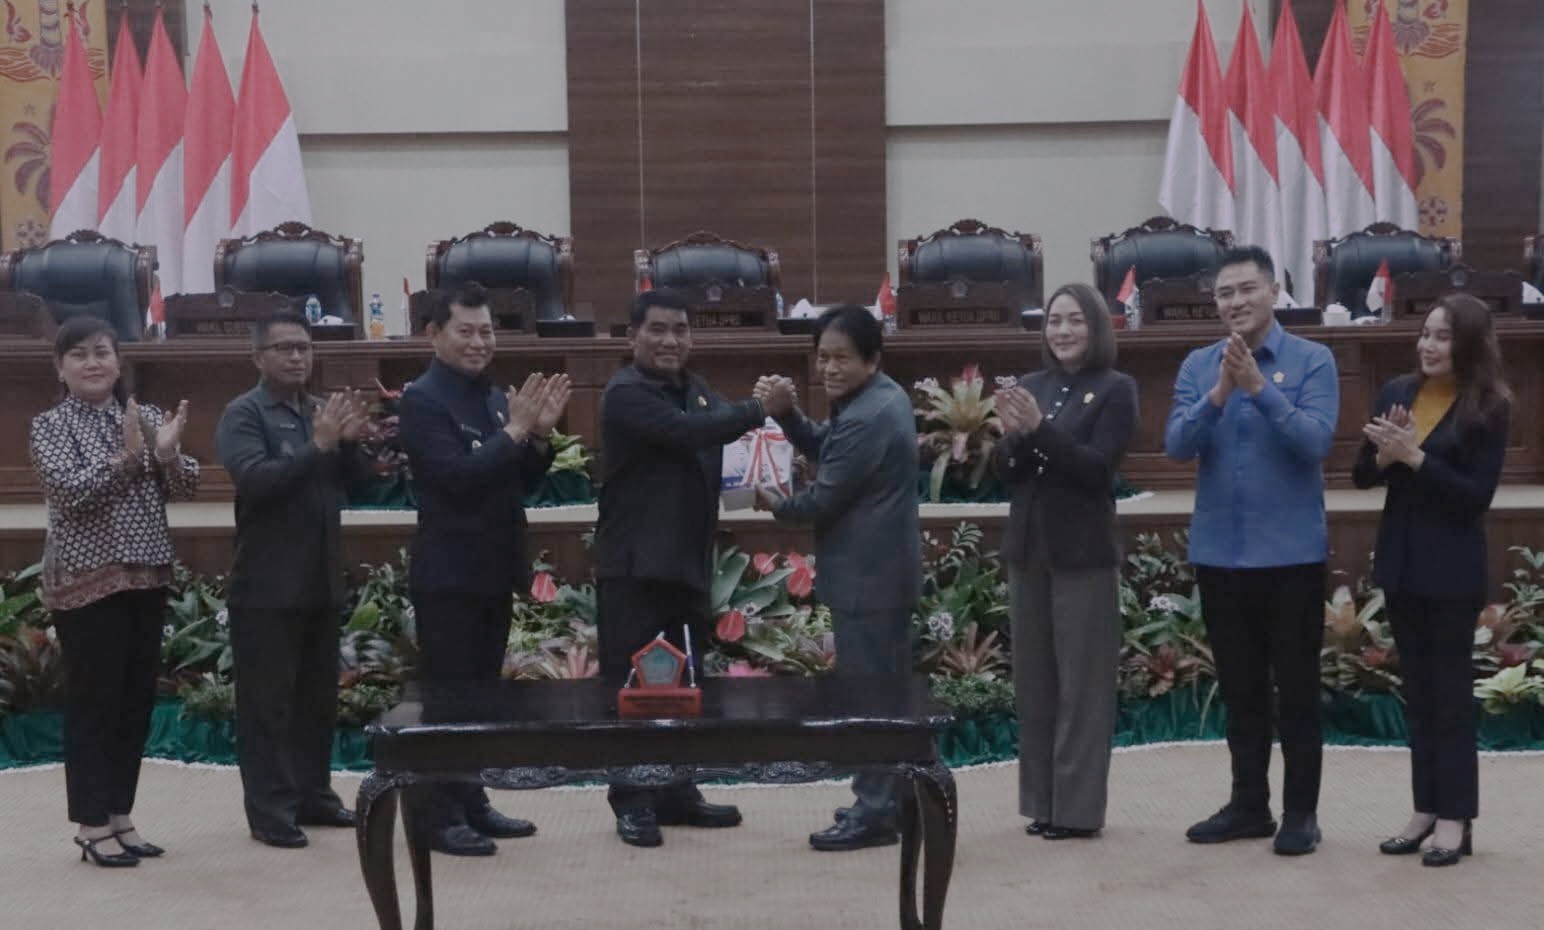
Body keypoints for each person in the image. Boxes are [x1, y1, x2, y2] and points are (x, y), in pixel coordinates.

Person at [1163, 246, 1339, 856]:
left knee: (1296, 690)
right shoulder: (1199, 364)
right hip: (1221, 554)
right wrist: (1219, 392)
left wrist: (1259, 388)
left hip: (1291, 556)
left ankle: (1301, 812)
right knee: (1241, 692)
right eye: (1224, 293)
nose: (1235, 302)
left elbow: (1314, 443)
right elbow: (1176, 445)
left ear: (1273, 292)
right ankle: (1248, 805)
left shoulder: (1313, 360)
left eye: (1246, 289)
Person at [397, 282, 571, 856]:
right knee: (448, 699)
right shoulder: (422, 400)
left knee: (480, 696)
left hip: (493, 569)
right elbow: (455, 479)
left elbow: (519, 479)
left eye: (487, 331)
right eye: (466, 331)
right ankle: (436, 815)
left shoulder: (495, 396)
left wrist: (537, 437)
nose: (480, 342)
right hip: (449, 574)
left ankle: (470, 798)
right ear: (434, 334)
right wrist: (516, 432)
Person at [593, 289, 766, 847]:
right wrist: (759, 408)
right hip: (634, 569)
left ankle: (676, 791)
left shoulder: (696, 389)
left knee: (684, 685)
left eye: (681, 330)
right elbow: (692, 432)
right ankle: (633, 800)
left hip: (685, 563)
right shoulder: (625, 393)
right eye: (658, 329)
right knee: (632, 690)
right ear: (632, 337)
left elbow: (723, 430)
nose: (671, 340)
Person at [29, 316, 197, 867]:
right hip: (86, 583)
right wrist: (126, 460)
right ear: (60, 368)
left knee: (134, 702)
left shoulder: (146, 417)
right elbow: (71, 494)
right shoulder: (50, 426)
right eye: (78, 354)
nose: (93, 362)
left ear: (119, 362)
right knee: (94, 703)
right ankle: (91, 822)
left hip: (147, 575)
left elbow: (186, 487)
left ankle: (120, 814)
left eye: (102, 352)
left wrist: (166, 454)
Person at [756, 304, 921, 852]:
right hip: (880, 576)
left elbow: (823, 500)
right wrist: (788, 415)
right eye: (822, 357)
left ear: (872, 359)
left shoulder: (870, 414)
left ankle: (874, 812)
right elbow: (829, 445)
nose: (828, 368)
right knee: (883, 694)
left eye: (841, 358)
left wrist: (776, 504)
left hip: (869, 580)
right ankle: (891, 800)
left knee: (870, 699)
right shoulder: (879, 399)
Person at [1353, 294, 1510, 867]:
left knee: (1449, 699)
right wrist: (1386, 457)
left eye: (1442, 336)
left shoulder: (1489, 406)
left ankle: (1455, 818)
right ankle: (1425, 809)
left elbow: (1475, 497)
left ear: (1467, 343)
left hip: (1451, 569)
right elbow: (1361, 475)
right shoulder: (1398, 392)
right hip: (1403, 564)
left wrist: (1415, 458)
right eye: (1425, 334)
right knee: (1418, 697)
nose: (1428, 345)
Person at [215, 310, 374, 848]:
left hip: (320, 581)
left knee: (315, 702)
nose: (297, 356)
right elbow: (257, 482)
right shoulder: (243, 414)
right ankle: (270, 810)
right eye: (284, 348)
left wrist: (348, 444)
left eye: (304, 347)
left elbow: (362, 487)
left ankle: (313, 796)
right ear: (257, 357)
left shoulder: (318, 410)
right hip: (266, 586)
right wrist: (319, 446)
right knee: (268, 707)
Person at [994, 283, 1137, 841]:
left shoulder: (1116, 389)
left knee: (1082, 687)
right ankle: (1042, 803)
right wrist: (1010, 439)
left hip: (1082, 554)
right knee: (1035, 685)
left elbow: (1096, 471)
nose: (1063, 331)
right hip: (1029, 549)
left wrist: (1038, 430)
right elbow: (1007, 474)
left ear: (1095, 327)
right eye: (1055, 320)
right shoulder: (1032, 385)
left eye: (1075, 320)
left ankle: (1076, 811)